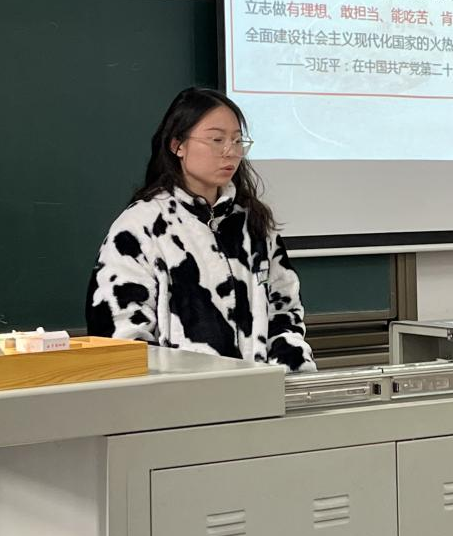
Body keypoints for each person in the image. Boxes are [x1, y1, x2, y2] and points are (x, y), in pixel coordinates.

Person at [85, 87, 316, 371]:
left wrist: (291, 376)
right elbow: (121, 338)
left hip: (258, 392)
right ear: (177, 145)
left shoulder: (253, 223)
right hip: (176, 394)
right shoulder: (140, 227)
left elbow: (285, 313)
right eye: (217, 140)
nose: (230, 152)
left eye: (237, 140)